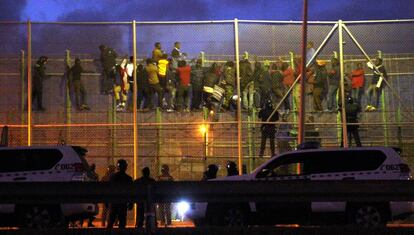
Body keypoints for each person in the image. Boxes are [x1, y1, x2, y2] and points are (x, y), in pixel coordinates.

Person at [107, 159, 133, 229]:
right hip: (123, 202)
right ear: (125, 167)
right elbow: (131, 192)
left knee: (111, 221)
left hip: (114, 202)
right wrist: (131, 203)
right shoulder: (128, 178)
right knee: (122, 221)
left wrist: (107, 202)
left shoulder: (112, 177)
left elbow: (109, 190)